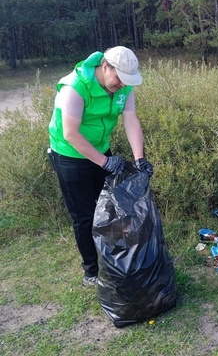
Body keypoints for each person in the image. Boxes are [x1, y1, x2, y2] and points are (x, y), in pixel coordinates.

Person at [47, 46, 154, 287]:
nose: (122, 85)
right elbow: (71, 134)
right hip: (69, 155)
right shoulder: (74, 87)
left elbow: (131, 121)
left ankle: (115, 260)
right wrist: (104, 162)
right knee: (85, 216)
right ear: (105, 67)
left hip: (100, 148)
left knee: (112, 208)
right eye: (119, 78)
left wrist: (139, 160)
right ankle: (92, 271)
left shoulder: (123, 87)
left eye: (127, 81)